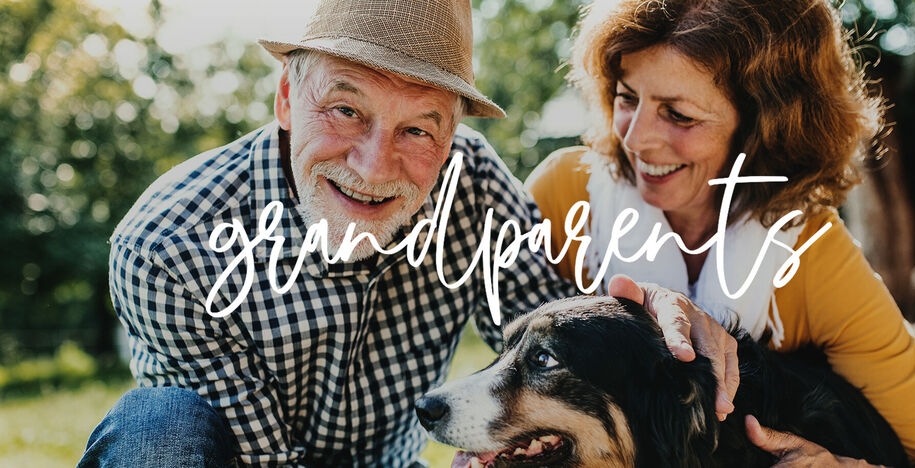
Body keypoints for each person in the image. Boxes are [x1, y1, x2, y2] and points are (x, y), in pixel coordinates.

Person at [77, 1, 706, 466]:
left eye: (418, 130)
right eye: (346, 110)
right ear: (287, 100)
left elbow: (551, 333)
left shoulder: (474, 189)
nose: (374, 168)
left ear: (452, 137)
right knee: (157, 427)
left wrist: (654, 323)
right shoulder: (169, 245)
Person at [526, 0, 915, 466]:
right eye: (627, 97)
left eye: (679, 115)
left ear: (763, 129)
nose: (637, 137)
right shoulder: (564, 194)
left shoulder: (813, 257)